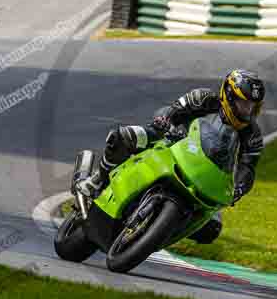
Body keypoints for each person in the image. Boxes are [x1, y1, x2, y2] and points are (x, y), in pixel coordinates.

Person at [77, 69, 266, 244]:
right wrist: (165, 121)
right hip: (172, 140)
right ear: (230, 96)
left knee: (212, 228)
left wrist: (239, 188)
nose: (248, 111)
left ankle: (161, 232)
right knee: (124, 136)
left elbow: (248, 168)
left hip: (204, 172)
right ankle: (97, 180)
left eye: (252, 107)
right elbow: (173, 110)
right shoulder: (204, 98)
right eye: (244, 104)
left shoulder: (252, 135)